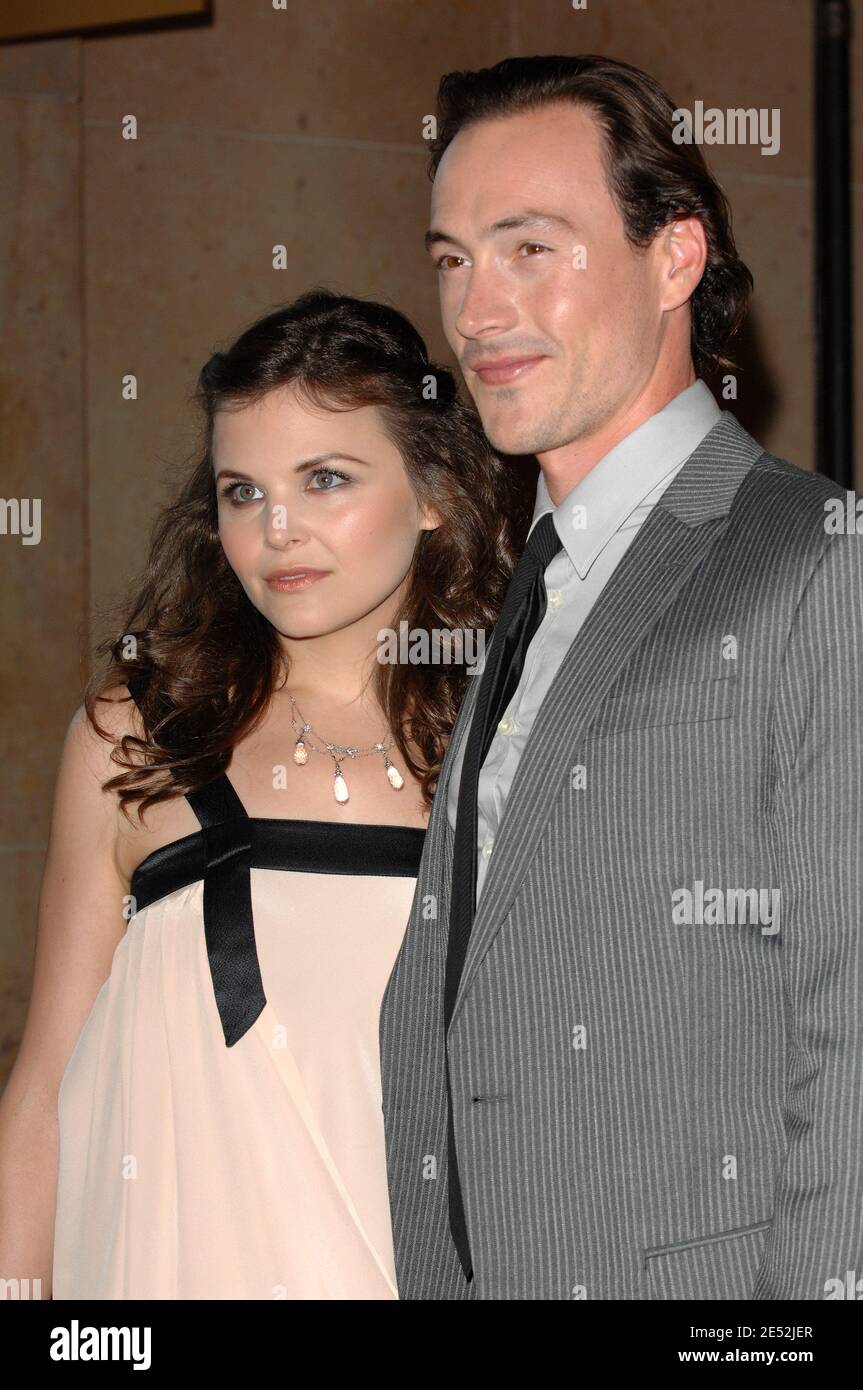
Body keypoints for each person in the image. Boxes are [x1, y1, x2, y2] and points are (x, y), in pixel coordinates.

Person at [379, 54, 863, 1300]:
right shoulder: (523, 582)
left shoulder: (813, 560)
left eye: (528, 247)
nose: (476, 308)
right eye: (451, 259)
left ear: (673, 260)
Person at [0, 289, 529, 1299]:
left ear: (434, 492)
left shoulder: (509, 746)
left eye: (323, 478)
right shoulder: (134, 736)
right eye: (242, 492)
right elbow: (44, 1085)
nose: (276, 528)